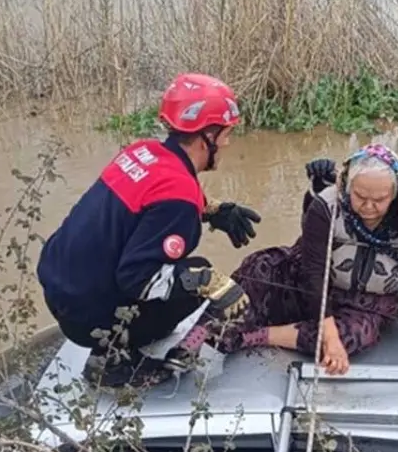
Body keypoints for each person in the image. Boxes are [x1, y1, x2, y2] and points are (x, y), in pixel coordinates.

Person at [35, 72, 263, 388]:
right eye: (226, 134)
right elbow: (137, 278)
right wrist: (211, 283)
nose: (227, 143)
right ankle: (111, 363)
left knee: (185, 274)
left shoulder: (141, 152)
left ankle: (116, 335)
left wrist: (213, 210)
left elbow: (151, 196)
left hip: (61, 291)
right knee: (196, 276)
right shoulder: (179, 198)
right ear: (207, 137)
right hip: (88, 321)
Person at [170, 142, 398, 375]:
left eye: (379, 200)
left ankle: (251, 337)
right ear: (347, 186)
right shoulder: (326, 206)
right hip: (314, 284)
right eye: (360, 196)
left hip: (369, 302)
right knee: (256, 269)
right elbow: (314, 271)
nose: (368, 207)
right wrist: (328, 333)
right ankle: (195, 339)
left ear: (396, 192)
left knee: (354, 337)